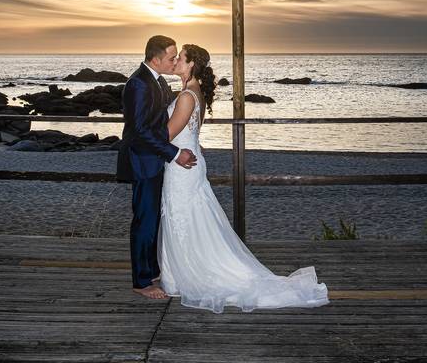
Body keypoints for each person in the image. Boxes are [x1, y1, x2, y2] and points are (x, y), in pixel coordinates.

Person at [157, 43, 329, 313]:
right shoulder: (194, 92)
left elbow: (165, 135)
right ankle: (177, 273)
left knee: (183, 217)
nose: (176, 60)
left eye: (181, 57)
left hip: (182, 168)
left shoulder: (187, 97)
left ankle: (184, 275)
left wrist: (142, 128)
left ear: (191, 65)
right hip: (187, 164)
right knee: (190, 218)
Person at [117, 35, 197, 300]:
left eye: (177, 57)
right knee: (144, 222)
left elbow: (161, 121)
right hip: (142, 161)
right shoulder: (138, 84)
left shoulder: (158, 80)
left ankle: (150, 271)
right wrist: (174, 153)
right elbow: (140, 131)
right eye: (171, 57)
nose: (174, 61)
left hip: (155, 159)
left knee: (152, 220)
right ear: (155, 59)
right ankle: (141, 282)